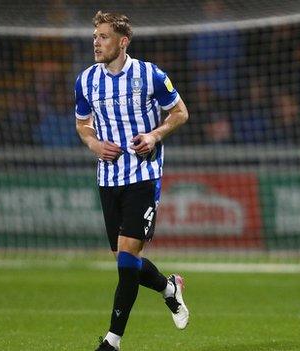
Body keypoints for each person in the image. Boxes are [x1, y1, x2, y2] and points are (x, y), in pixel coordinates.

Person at [74, 11, 190, 351]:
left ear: (123, 41)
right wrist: (95, 144)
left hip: (143, 175)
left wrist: (154, 136)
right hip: (108, 178)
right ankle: (169, 289)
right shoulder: (85, 81)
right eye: (95, 36)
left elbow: (180, 112)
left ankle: (112, 341)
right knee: (126, 261)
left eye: (104, 36)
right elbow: (83, 124)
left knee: (126, 262)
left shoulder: (149, 74)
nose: (96, 42)